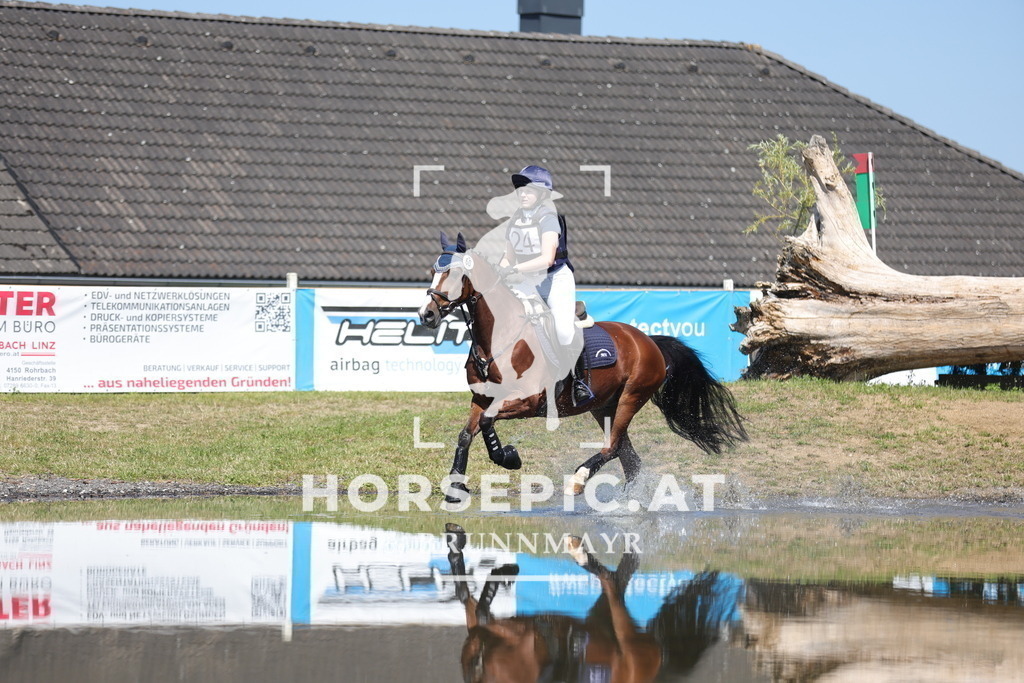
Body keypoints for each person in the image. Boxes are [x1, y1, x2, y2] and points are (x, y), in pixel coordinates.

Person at [496, 165, 593, 406]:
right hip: (529, 280)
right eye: (520, 189)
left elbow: (547, 259)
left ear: (542, 194)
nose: (522, 193)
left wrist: (514, 269)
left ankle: (579, 381)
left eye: (529, 190)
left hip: (555, 278)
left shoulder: (549, 217)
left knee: (562, 330)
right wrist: (500, 269)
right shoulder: (516, 219)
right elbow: (508, 256)